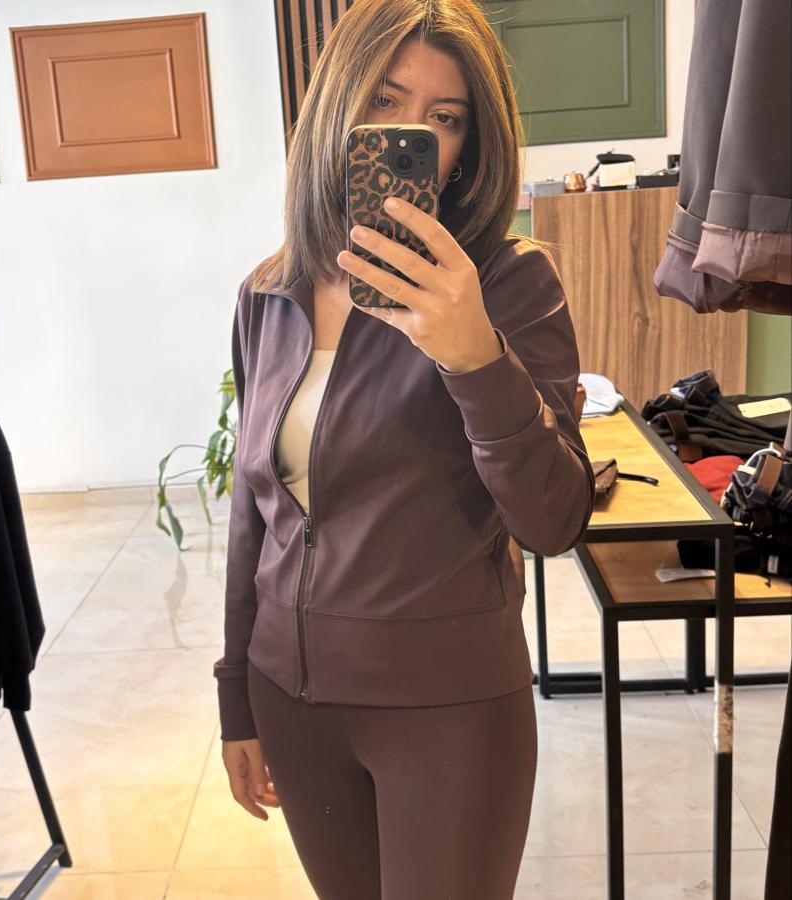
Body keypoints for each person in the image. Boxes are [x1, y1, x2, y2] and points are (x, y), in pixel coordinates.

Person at [213, 1, 596, 897]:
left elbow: (552, 520)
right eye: (385, 100)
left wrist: (474, 354)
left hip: (449, 704)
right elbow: (253, 510)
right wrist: (236, 694)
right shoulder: (267, 292)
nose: (411, 132)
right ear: (337, 107)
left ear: (465, 148)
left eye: (444, 117)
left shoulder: (508, 283)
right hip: (290, 697)